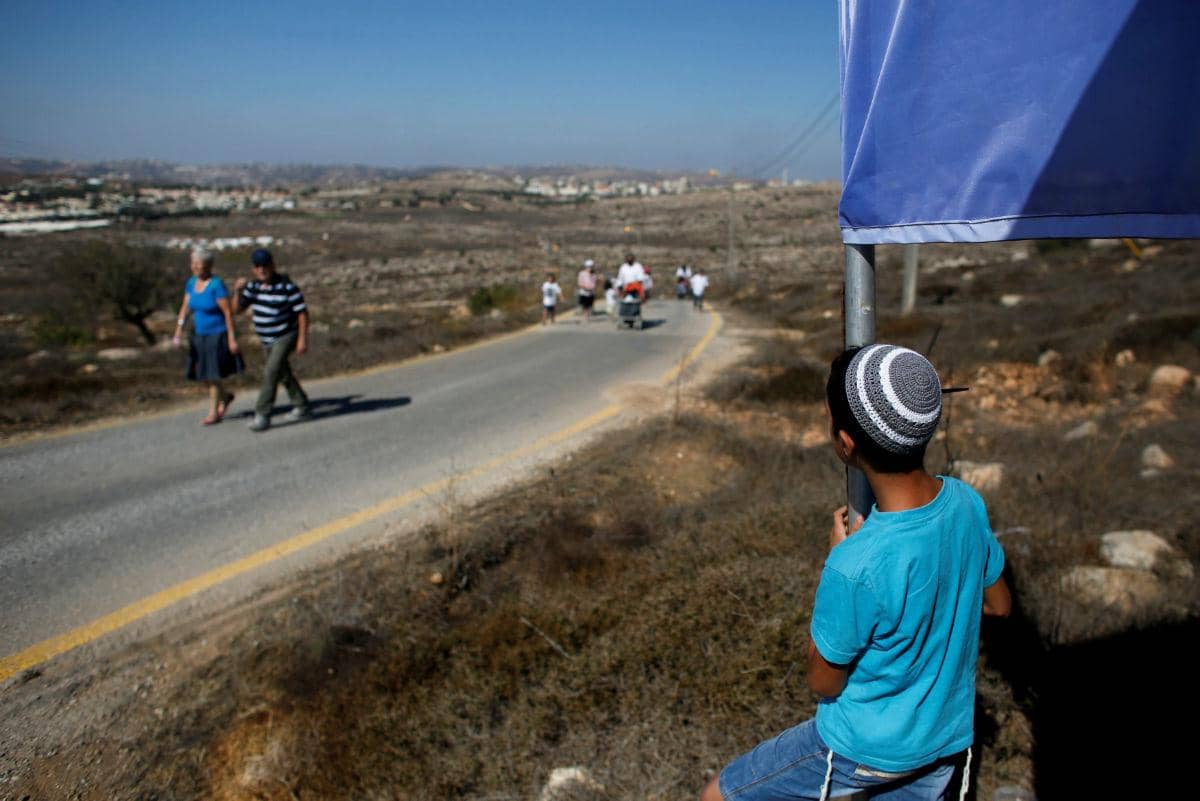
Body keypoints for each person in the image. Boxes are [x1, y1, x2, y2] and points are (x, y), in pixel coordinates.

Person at [702, 344, 1011, 801]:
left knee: (718, 795)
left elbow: (823, 680)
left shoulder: (856, 563)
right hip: (943, 742)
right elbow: (999, 606)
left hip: (862, 748)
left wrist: (835, 564)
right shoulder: (966, 502)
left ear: (845, 444)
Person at [233, 248, 310, 432]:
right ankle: (301, 404)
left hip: (286, 334)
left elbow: (302, 314)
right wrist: (237, 291)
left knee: (271, 371)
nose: (262, 270)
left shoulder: (286, 286)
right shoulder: (253, 287)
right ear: (254, 269)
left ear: (272, 265)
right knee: (282, 372)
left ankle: (262, 414)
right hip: (266, 338)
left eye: (265, 265)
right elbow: (237, 310)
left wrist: (302, 339)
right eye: (258, 266)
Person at [173, 247, 242, 425]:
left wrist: (232, 338)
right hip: (199, 336)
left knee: (213, 375)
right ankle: (225, 396)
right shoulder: (191, 283)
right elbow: (185, 307)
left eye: (199, 263)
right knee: (201, 374)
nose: (195, 267)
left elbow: (228, 313)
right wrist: (178, 330)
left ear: (208, 265)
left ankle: (213, 412)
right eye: (193, 263)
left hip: (216, 335)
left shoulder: (216, 285)